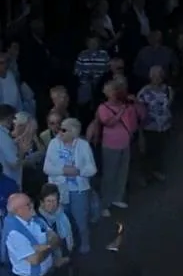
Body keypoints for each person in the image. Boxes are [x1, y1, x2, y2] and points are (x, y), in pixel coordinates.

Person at [44, 116, 97, 253]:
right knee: (62, 221)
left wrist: (79, 171)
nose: (59, 132)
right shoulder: (53, 144)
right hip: (59, 189)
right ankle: (66, 246)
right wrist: (64, 171)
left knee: (81, 219)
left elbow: (92, 169)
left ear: (74, 132)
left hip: (78, 190)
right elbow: (47, 168)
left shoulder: (83, 145)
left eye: (64, 130)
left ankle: (85, 242)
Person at [89, 79, 141, 215]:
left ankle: (117, 197)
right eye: (111, 91)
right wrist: (121, 112)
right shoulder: (103, 108)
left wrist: (134, 105)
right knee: (109, 174)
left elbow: (135, 121)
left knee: (122, 171)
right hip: (110, 145)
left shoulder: (127, 106)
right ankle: (104, 203)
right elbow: (109, 122)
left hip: (125, 143)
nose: (114, 93)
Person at [37, 182, 77, 276]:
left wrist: (69, 258)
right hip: (47, 267)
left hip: (65, 262)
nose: (52, 205)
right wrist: (54, 261)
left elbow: (76, 237)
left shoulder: (65, 215)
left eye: (54, 201)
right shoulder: (36, 222)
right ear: (42, 202)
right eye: (48, 201)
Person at [136, 66, 174, 181]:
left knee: (161, 149)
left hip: (164, 126)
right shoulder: (144, 91)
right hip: (149, 126)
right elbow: (138, 110)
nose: (156, 78)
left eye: (159, 75)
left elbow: (169, 106)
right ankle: (146, 174)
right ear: (150, 77)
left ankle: (157, 171)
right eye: (154, 76)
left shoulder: (168, 90)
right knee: (148, 151)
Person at [73, 32, 111, 112]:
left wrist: (98, 77)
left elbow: (108, 70)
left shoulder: (104, 54)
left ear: (99, 43)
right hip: (85, 83)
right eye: (91, 43)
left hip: (100, 83)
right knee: (86, 88)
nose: (93, 45)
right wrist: (86, 76)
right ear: (87, 43)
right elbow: (76, 71)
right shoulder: (82, 55)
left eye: (95, 42)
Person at [0, 105, 21, 183]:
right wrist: (22, 150)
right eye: (14, 118)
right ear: (9, 118)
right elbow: (14, 163)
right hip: (7, 183)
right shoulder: (2, 136)